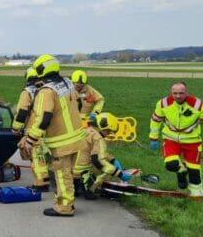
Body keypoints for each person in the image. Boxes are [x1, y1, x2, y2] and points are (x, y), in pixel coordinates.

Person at [20, 55, 87, 217]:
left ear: (41, 70)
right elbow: (78, 104)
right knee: (67, 173)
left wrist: (30, 140)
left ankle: (64, 207)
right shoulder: (67, 83)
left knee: (61, 175)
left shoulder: (46, 91)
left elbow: (44, 118)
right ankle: (66, 202)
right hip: (76, 138)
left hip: (61, 142)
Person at [149, 82, 203, 201]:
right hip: (171, 139)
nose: (178, 96)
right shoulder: (163, 103)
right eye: (175, 93)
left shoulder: (198, 105)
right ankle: (181, 172)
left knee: (194, 171)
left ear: (186, 92)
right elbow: (155, 120)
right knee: (171, 165)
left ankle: (197, 196)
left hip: (192, 142)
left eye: (181, 93)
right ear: (171, 93)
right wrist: (153, 138)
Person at [73, 112, 131, 200]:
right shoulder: (98, 138)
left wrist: (112, 160)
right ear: (102, 126)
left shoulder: (86, 130)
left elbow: (95, 151)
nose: (108, 134)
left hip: (70, 167)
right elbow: (99, 160)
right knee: (103, 169)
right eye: (108, 131)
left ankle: (75, 188)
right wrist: (119, 173)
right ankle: (88, 188)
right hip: (81, 170)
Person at [12, 67, 50, 192]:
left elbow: (22, 112)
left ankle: (40, 184)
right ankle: (46, 180)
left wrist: (15, 128)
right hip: (46, 128)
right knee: (44, 157)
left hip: (33, 130)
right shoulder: (45, 90)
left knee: (36, 158)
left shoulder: (27, 92)